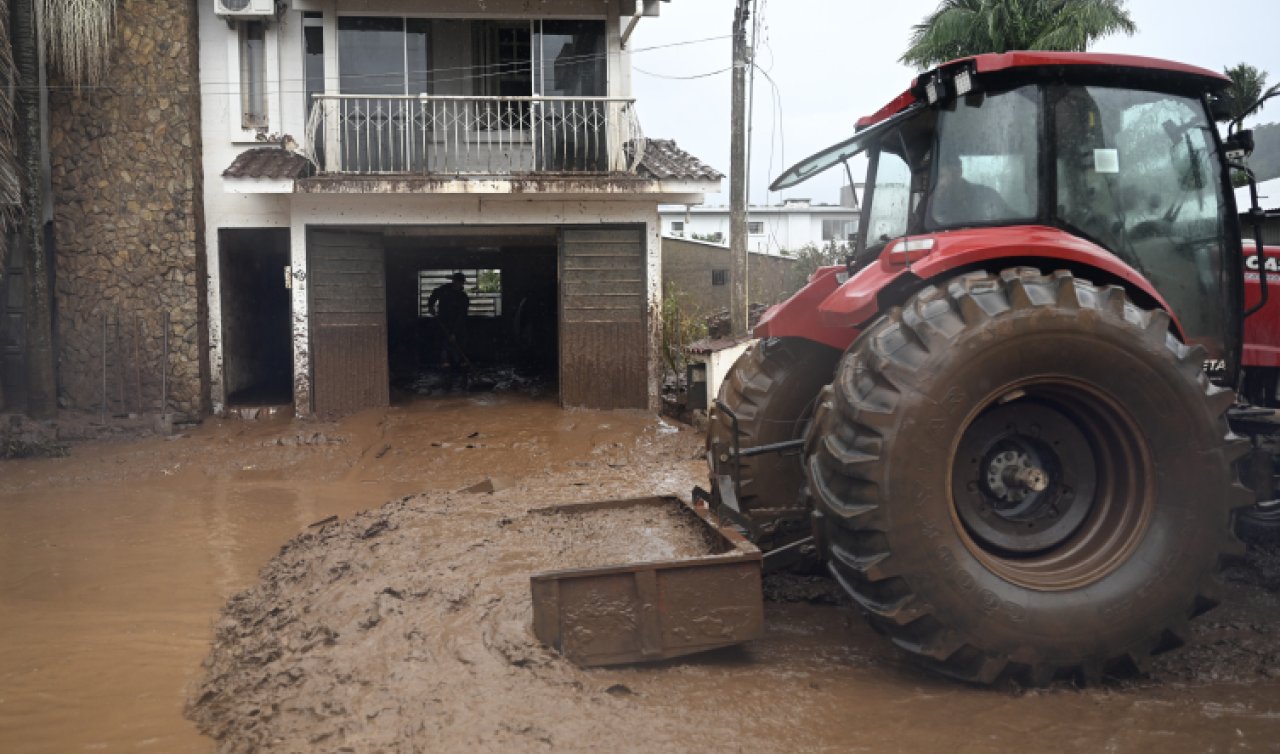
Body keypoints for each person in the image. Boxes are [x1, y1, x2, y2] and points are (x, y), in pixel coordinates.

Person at [927, 152, 1014, 227]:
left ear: (957, 173)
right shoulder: (930, 204)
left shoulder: (987, 197)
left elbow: (1013, 222)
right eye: (935, 179)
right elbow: (916, 232)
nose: (937, 184)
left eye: (941, 177)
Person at [427, 272, 470, 376]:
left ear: (462, 283)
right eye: (455, 281)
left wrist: (454, 333)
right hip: (443, 324)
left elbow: (461, 317)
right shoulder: (444, 289)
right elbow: (434, 295)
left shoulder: (463, 297)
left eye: (459, 282)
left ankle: (462, 374)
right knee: (444, 348)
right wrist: (431, 306)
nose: (456, 284)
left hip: (458, 327)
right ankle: (446, 375)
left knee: (459, 349)